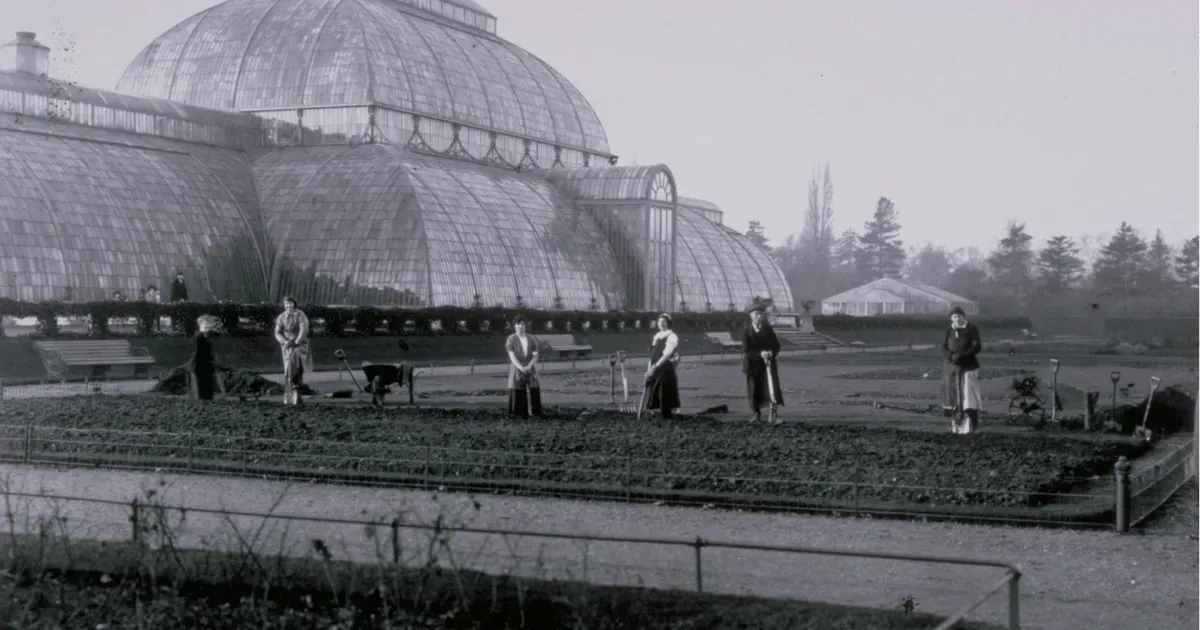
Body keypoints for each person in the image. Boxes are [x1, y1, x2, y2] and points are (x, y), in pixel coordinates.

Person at [941, 306, 983, 434]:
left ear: (963, 316)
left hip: (968, 365)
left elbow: (976, 346)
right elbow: (944, 347)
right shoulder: (949, 330)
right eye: (954, 316)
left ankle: (970, 424)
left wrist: (963, 356)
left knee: (968, 394)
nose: (957, 319)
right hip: (951, 366)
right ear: (951, 318)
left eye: (959, 316)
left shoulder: (972, 329)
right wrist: (951, 356)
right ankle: (956, 424)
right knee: (952, 395)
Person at [742, 303, 784, 424]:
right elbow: (747, 350)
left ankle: (773, 414)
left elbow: (776, 345)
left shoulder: (768, 329)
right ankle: (756, 414)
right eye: (756, 314)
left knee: (772, 388)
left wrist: (770, 352)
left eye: (761, 314)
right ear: (751, 315)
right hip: (753, 365)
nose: (759, 316)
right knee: (754, 389)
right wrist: (761, 353)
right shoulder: (746, 331)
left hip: (768, 365)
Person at [273, 296, 312, 405]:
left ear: (294, 304)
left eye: (290, 303)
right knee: (288, 370)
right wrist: (284, 341)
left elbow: (304, 329)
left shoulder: (300, 314)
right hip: (287, 345)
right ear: (284, 305)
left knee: (297, 368)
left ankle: (297, 394)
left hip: (299, 345)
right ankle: (288, 396)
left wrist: (296, 341)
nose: (288, 306)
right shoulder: (281, 317)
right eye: (286, 304)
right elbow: (277, 332)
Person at [643, 313, 681, 420]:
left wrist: (655, 366)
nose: (661, 324)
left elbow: (667, 355)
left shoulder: (672, 336)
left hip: (665, 368)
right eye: (659, 321)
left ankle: (668, 418)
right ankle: (661, 418)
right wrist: (649, 369)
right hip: (655, 367)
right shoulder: (657, 336)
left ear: (668, 323)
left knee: (665, 392)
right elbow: (652, 355)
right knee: (655, 391)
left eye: (664, 322)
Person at [505, 315, 543, 417]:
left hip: (530, 366)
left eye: (522, 324)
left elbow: (535, 355)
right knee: (517, 386)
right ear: (514, 326)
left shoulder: (531, 338)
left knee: (533, 386)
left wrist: (529, 367)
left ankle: (534, 412)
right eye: (518, 324)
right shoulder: (511, 339)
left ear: (525, 325)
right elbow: (512, 356)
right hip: (517, 367)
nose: (520, 327)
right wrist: (521, 368)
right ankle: (518, 412)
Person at [188, 315, 220, 401]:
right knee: (202, 384)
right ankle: (203, 398)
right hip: (201, 365)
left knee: (206, 384)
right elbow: (198, 353)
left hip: (205, 364)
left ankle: (206, 397)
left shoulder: (205, 338)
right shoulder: (199, 338)